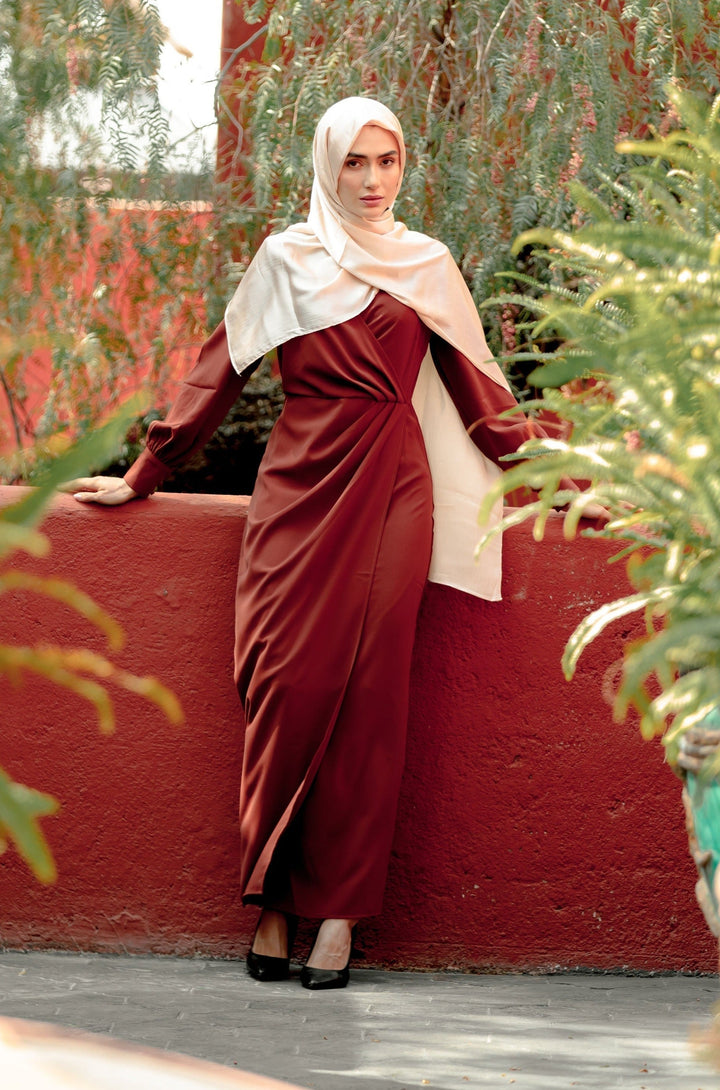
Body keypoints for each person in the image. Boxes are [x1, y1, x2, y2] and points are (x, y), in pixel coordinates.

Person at [63, 97, 600, 990]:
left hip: (393, 492)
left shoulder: (426, 265)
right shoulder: (286, 258)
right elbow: (216, 372)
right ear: (326, 166)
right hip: (294, 494)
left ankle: (339, 916)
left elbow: (485, 408)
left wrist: (582, 489)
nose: (373, 180)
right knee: (282, 686)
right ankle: (274, 899)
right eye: (355, 163)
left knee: (368, 701)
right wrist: (142, 476)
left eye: (387, 161)